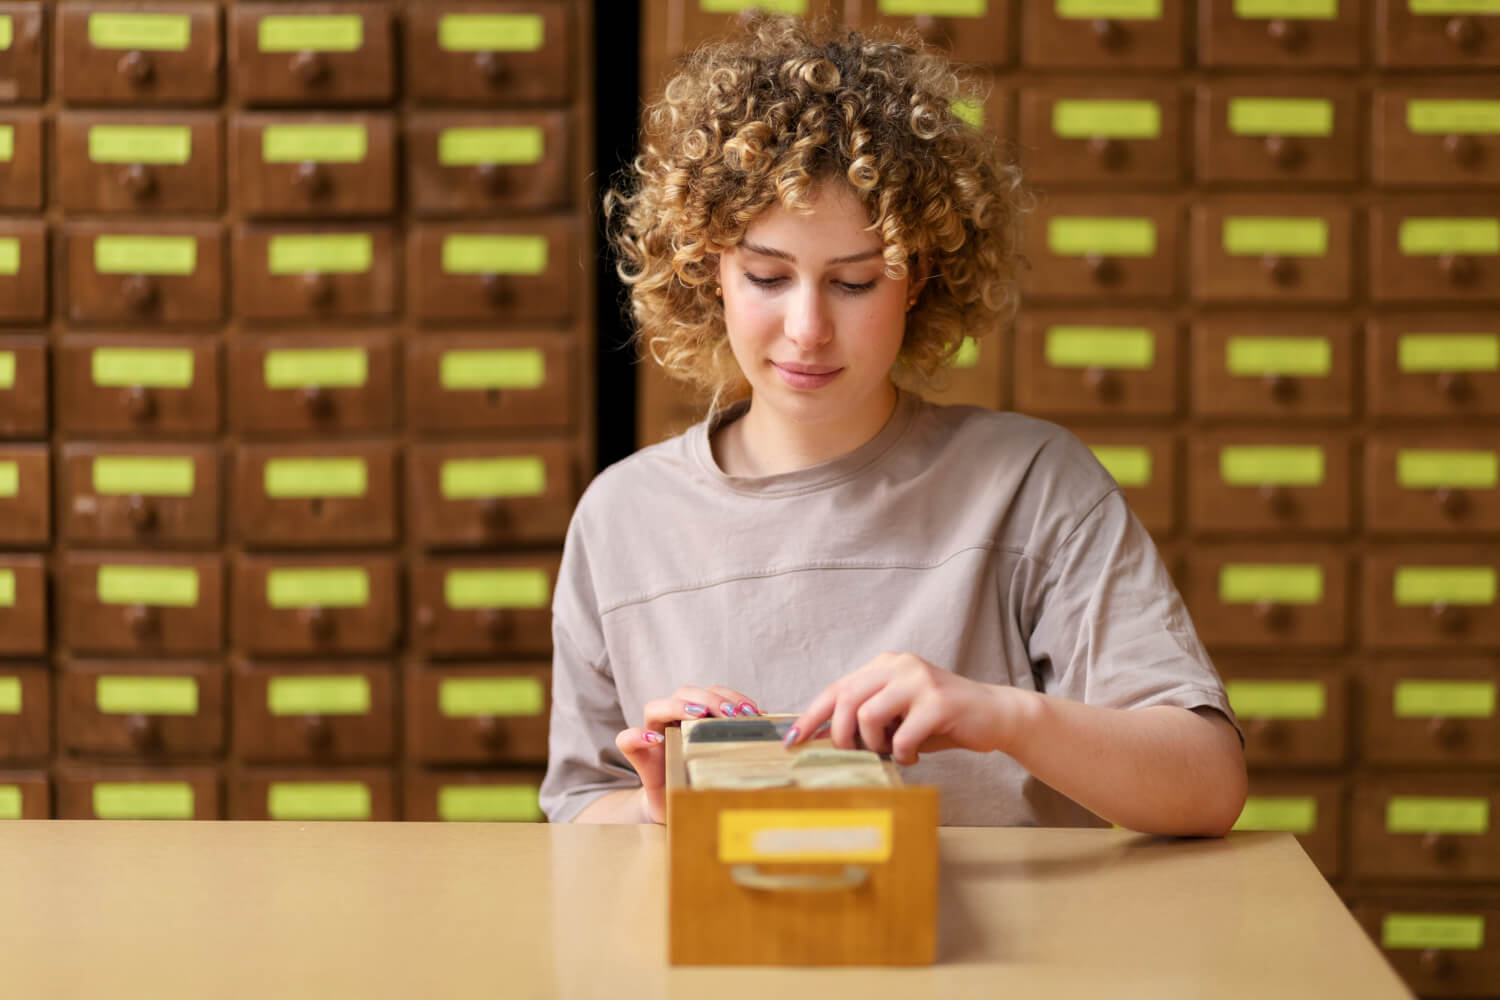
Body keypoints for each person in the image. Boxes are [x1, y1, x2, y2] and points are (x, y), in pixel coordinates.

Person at [539, 14, 1247, 834]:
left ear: (919, 282)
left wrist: (1000, 716)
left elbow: (1208, 785)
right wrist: (659, 810)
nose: (807, 328)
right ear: (709, 270)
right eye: (768, 276)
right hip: (724, 955)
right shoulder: (621, 516)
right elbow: (580, 809)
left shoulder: (1033, 483)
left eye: (855, 283)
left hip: (1004, 960)